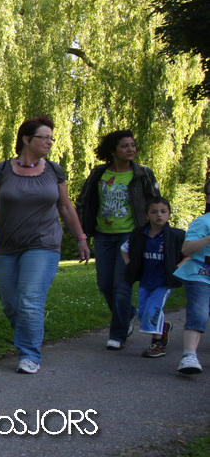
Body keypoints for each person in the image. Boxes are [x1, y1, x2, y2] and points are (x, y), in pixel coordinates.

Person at [0, 116, 91, 374]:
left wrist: (80, 238)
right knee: (10, 302)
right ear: (27, 139)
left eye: (51, 138)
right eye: (44, 137)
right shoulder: (2, 171)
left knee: (30, 299)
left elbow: (65, 206)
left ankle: (29, 354)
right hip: (7, 245)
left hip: (44, 244)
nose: (50, 142)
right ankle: (29, 334)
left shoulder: (53, 171)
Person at [76, 130, 159, 350]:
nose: (131, 149)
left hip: (130, 235)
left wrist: (154, 233)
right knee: (105, 285)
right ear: (113, 151)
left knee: (121, 286)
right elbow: (83, 201)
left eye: (133, 145)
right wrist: (82, 232)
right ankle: (128, 313)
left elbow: (155, 203)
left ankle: (118, 335)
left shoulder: (143, 174)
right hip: (103, 235)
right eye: (125, 146)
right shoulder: (99, 174)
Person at [120, 197, 186, 358]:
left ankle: (157, 344)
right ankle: (163, 327)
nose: (159, 215)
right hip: (146, 280)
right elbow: (124, 248)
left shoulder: (176, 235)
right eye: (154, 212)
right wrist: (130, 265)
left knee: (152, 310)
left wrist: (178, 268)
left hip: (163, 282)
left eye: (163, 212)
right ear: (147, 215)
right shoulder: (140, 234)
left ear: (169, 214)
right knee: (143, 313)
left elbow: (189, 254)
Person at [172, 181, 210, 375]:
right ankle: (189, 356)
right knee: (199, 312)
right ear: (208, 198)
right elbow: (187, 249)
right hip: (199, 275)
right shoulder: (203, 222)